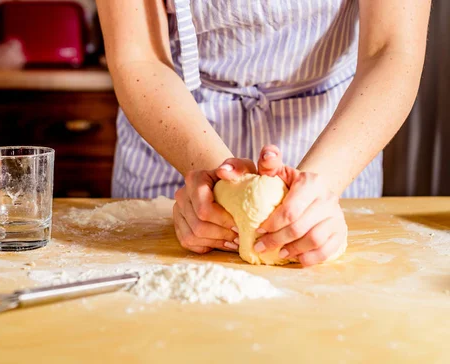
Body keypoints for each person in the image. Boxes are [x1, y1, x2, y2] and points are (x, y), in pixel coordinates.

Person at [96, 0, 431, 266]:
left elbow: (390, 50)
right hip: (175, 127)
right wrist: (222, 186)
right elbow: (140, 57)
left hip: (336, 137)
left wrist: (315, 192)